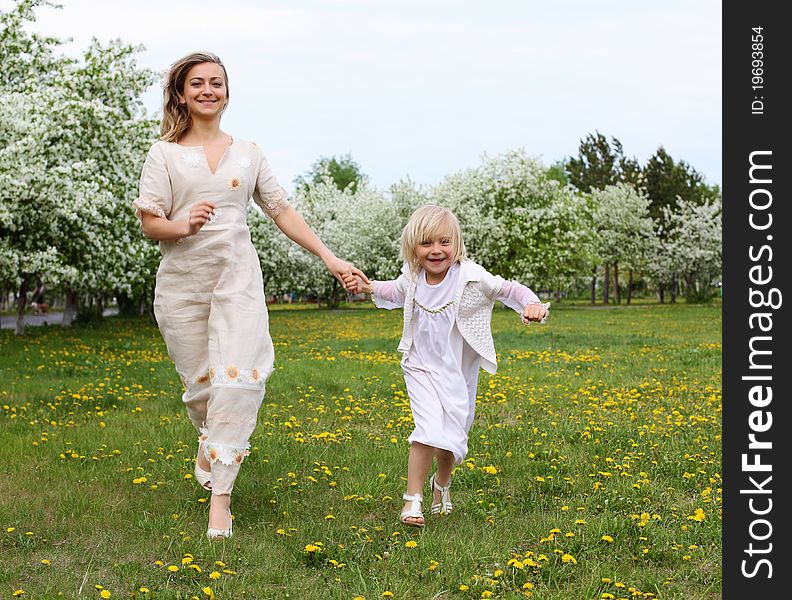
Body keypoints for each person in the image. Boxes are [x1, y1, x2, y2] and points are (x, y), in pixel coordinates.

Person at [133, 51, 364, 540]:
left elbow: (281, 210)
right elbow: (151, 222)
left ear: (227, 92)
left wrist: (329, 257)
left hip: (238, 279)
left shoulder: (249, 152)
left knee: (237, 382)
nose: (208, 90)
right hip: (183, 285)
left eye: (217, 82)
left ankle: (221, 500)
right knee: (202, 387)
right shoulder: (165, 155)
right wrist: (183, 223)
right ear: (181, 93)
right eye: (197, 83)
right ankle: (207, 438)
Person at [344, 205, 549, 527]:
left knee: (451, 438)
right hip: (420, 366)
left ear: (457, 245)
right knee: (426, 429)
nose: (436, 250)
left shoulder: (471, 277)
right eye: (426, 243)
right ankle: (413, 501)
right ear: (413, 247)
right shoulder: (411, 278)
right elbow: (392, 291)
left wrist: (532, 304)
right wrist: (367, 286)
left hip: (457, 370)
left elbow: (510, 289)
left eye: (444, 242)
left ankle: (441, 483)